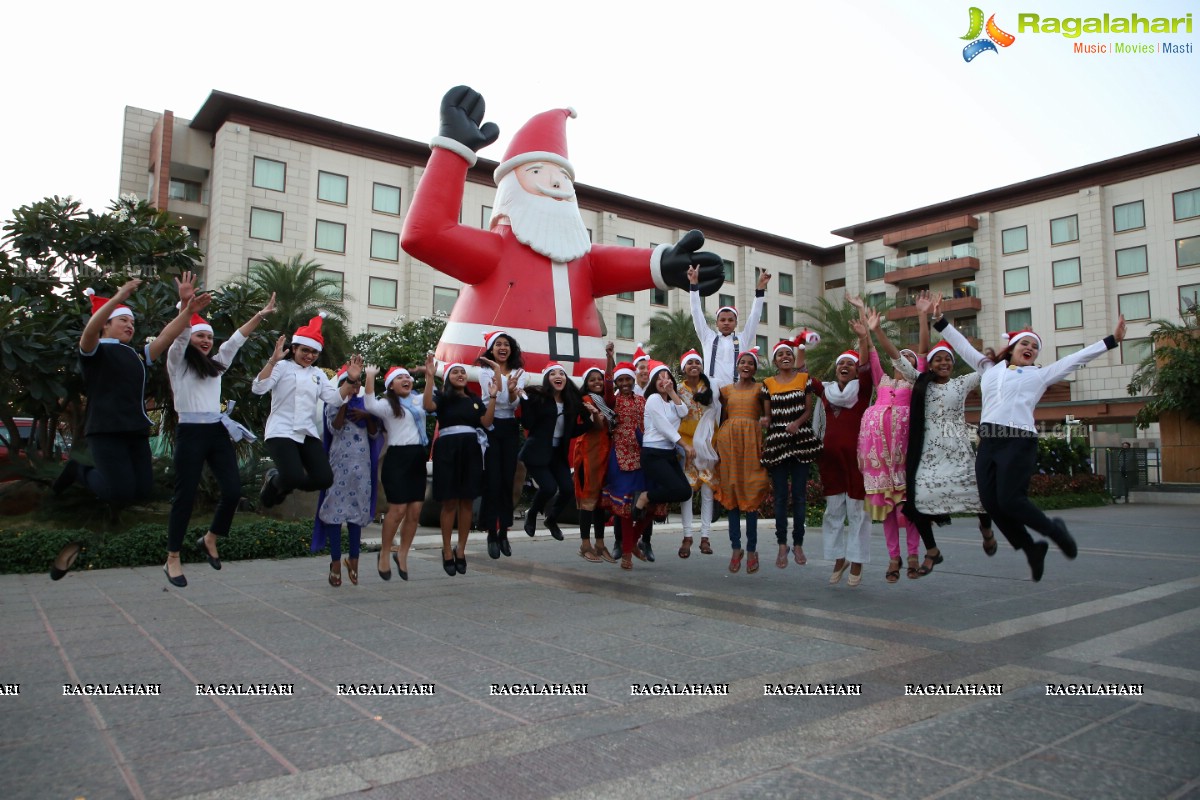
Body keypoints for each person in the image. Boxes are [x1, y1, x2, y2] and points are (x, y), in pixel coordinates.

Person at [401, 85, 725, 378]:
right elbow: (425, 233)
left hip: (580, 395)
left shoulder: (582, 259)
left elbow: (622, 264)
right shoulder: (494, 252)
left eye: (563, 176)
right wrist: (452, 149)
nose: (556, 182)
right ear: (511, 189)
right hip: (486, 385)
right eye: (537, 171)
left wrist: (668, 264)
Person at [934, 313, 1127, 581]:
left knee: (1011, 500)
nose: (1030, 349)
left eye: (1035, 347)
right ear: (1012, 348)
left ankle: (1055, 531)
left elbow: (1076, 359)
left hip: (1019, 440)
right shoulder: (989, 368)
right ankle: (1031, 548)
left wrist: (1111, 341)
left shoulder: (1040, 375)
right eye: (1025, 343)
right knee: (991, 503)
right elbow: (962, 345)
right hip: (989, 441)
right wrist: (939, 319)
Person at [50, 278, 212, 582]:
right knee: (118, 491)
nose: (130, 325)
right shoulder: (94, 352)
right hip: (106, 431)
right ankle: (77, 471)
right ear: (106, 325)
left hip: (135, 430)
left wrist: (188, 310)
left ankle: (86, 476)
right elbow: (88, 332)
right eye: (123, 320)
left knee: (142, 488)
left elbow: (166, 336)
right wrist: (118, 296)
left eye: (132, 321)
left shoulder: (137, 355)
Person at [867, 303, 995, 581]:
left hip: (959, 451)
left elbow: (986, 368)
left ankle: (986, 530)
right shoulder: (920, 382)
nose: (943, 364)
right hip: (927, 454)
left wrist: (1010, 349)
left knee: (979, 496)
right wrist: (876, 330)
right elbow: (894, 357)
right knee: (918, 502)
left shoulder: (962, 383)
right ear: (930, 365)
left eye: (947, 359)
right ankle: (931, 551)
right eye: (937, 360)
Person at [164, 272, 274, 587]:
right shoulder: (178, 362)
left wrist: (259, 315)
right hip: (190, 434)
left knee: (232, 491)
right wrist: (186, 304)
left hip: (215, 431)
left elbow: (236, 339)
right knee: (184, 496)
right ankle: (173, 557)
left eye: (209, 337)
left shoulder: (217, 365)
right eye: (201, 336)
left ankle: (211, 537)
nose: (206, 341)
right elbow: (180, 334)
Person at [851, 292, 931, 583]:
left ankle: (912, 554)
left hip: (903, 455)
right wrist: (861, 311)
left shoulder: (916, 381)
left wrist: (923, 316)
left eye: (907, 358)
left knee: (906, 508)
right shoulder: (881, 379)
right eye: (900, 358)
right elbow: (870, 347)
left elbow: (923, 351)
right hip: (878, 459)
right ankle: (893, 558)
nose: (903, 360)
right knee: (885, 511)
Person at [252, 315, 360, 509]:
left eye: (314, 352)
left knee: (324, 479)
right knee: (292, 476)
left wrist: (351, 380)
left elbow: (335, 399)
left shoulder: (317, 374)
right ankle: (277, 481)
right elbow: (258, 388)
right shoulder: (282, 367)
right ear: (294, 349)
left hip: (306, 432)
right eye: (305, 350)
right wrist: (272, 361)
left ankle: (282, 483)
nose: (309, 356)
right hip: (281, 430)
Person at [423, 353, 498, 576]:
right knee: (449, 503)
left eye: (463, 372)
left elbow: (486, 422)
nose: (460, 374)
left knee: (466, 502)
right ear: (447, 378)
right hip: (447, 451)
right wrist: (429, 378)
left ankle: (461, 550)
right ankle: (446, 550)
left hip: (471, 451)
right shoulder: (443, 397)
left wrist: (493, 397)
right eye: (455, 372)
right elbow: (428, 406)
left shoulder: (475, 400)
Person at [814, 323, 873, 588]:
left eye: (850, 364)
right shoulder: (826, 394)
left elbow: (866, 367)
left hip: (857, 462)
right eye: (841, 364)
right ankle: (839, 558)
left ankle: (857, 560)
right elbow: (803, 375)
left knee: (858, 512)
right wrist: (800, 345)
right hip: (830, 462)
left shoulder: (862, 392)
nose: (845, 367)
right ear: (835, 370)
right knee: (833, 511)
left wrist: (863, 338)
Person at [313, 365, 383, 587]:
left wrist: (366, 415)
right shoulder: (333, 403)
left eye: (357, 383)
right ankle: (335, 561)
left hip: (361, 467)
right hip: (339, 464)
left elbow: (374, 433)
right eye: (351, 383)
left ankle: (354, 560)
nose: (355, 386)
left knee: (356, 514)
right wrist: (344, 402)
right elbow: (334, 427)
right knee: (334, 512)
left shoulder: (367, 405)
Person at [760, 338, 822, 570]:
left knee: (799, 496)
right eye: (780, 354)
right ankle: (781, 544)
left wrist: (797, 423)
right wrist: (765, 421)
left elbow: (808, 409)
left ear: (793, 358)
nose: (785, 357)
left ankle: (798, 543)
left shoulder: (803, 379)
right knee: (780, 498)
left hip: (801, 441)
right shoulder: (767, 383)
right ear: (775, 360)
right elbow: (769, 417)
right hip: (777, 442)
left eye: (788, 353)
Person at [363, 365, 429, 581]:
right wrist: (370, 376)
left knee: (415, 512)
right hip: (397, 459)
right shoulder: (386, 404)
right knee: (398, 509)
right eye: (399, 378)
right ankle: (384, 552)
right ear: (391, 384)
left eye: (407, 377)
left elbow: (433, 401)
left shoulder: (419, 400)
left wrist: (429, 374)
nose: (405, 380)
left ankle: (403, 554)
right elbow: (369, 403)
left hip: (418, 457)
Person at [518, 362, 594, 542]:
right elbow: (528, 423)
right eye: (553, 374)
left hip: (557, 453)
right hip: (536, 452)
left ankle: (551, 520)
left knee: (568, 489)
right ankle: (532, 514)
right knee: (549, 487)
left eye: (562, 373)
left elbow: (572, 430)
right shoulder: (539, 398)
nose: (558, 376)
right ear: (547, 379)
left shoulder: (571, 402)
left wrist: (589, 420)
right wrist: (523, 399)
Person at [713, 350, 770, 574]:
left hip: (752, 443)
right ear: (737, 367)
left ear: (755, 369)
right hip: (729, 444)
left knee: (752, 492)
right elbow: (719, 415)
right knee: (732, 493)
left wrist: (766, 425)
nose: (746, 365)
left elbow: (767, 418)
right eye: (742, 362)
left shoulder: (761, 389)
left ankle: (752, 548)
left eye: (750, 363)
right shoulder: (726, 391)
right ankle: (736, 548)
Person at [631, 361, 693, 562]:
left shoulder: (671, 402)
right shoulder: (653, 399)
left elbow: (684, 412)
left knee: (685, 492)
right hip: (653, 454)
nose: (663, 380)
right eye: (659, 377)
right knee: (677, 489)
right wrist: (685, 445)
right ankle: (644, 498)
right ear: (653, 382)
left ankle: (647, 497)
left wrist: (673, 393)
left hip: (668, 454)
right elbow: (664, 427)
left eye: (667, 377)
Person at [476, 331, 524, 559]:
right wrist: (505, 384)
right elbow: (495, 395)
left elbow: (513, 403)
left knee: (508, 479)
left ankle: (504, 531)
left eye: (507, 344)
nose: (503, 348)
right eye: (498, 344)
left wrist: (514, 390)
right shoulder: (484, 371)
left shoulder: (518, 373)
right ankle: (491, 532)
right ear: (491, 349)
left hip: (510, 427)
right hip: (491, 425)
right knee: (492, 480)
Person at [601, 362, 651, 569]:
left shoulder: (643, 400)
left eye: (627, 379)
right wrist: (609, 358)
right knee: (624, 508)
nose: (624, 383)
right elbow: (607, 390)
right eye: (620, 380)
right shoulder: (612, 402)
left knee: (649, 504)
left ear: (633, 379)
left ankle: (633, 544)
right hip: (620, 457)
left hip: (642, 455)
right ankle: (627, 553)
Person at [571, 345, 617, 562]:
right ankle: (584, 544)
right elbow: (595, 428)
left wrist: (609, 359)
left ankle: (600, 544)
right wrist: (596, 416)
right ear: (585, 384)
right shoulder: (584, 402)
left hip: (605, 454)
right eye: (592, 380)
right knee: (588, 501)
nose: (597, 382)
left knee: (600, 502)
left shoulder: (606, 402)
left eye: (599, 379)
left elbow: (609, 383)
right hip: (589, 454)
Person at [689, 265, 769, 388]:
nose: (726, 323)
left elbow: (755, 316)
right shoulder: (707, 338)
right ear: (717, 323)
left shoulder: (743, 339)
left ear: (736, 323)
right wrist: (694, 285)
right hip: (711, 393)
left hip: (736, 392)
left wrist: (760, 289)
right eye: (722, 320)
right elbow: (696, 312)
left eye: (730, 320)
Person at [676, 349, 719, 558]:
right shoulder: (676, 390)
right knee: (686, 492)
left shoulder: (711, 388)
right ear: (683, 367)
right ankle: (687, 536)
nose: (694, 365)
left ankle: (705, 536)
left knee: (708, 492)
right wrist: (683, 445)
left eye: (697, 362)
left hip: (708, 447)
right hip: (687, 448)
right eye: (689, 362)